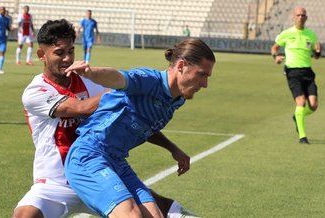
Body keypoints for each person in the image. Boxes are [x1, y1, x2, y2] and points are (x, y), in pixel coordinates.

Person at [13, 19, 200, 218]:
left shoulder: (89, 82)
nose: (67, 58)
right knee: (24, 215)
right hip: (56, 182)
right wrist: (127, 91)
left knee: (155, 209)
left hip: (99, 169)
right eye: (59, 53)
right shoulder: (36, 91)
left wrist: (172, 148)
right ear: (42, 55)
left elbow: (133, 119)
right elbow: (80, 108)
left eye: (71, 51)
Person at [64, 38, 215, 217]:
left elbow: (145, 125)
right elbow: (117, 78)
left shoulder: (177, 99)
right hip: (89, 155)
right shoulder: (150, 80)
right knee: (131, 215)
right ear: (181, 65)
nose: (205, 84)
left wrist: (172, 148)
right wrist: (91, 72)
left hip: (117, 161)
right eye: (202, 74)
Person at [271, 6, 321, 144]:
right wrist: (276, 57)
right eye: (298, 15)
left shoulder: (311, 34)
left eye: (303, 15)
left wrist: (318, 51)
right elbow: (274, 47)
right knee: (301, 102)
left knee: (313, 105)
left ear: (306, 18)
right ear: (294, 17)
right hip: (293, 72)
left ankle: (298, 116)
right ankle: (302, 137)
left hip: (308, 73)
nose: (300, 17)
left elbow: (316, 55)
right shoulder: (287, 33)